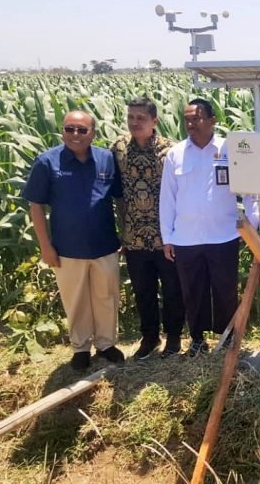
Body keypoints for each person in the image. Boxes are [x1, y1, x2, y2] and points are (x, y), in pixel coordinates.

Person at [23, 110, 125, 371]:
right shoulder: (47, 162)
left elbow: (120, 199)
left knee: (106, 297)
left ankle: (106, 344)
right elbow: (36, 206)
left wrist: (124, 234)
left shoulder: (106, 159)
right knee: (75, 299)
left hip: (104, 245)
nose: (75, 135)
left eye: (82, 130)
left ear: (93, 132)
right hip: (67, 248)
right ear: (62, 131)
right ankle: (81, 347)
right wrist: (45, 247)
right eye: (70, 129)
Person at [159, 99, 259, 356]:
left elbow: (250, 190)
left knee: (225, 290)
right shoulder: (176, 154)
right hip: (186, 237)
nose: (191, 124)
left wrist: (253, 223)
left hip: (223, 234)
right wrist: (167, 236)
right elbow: (167, 198)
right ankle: (197, 339)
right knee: (193, 291)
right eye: (188, 119)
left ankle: (227, 337)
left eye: (198, 118)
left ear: (213, 120)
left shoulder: (230, 149)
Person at [111, 97, 188, 359]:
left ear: (154, 121)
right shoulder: (119, 148)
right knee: (143, 290)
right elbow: (117, 194)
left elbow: (181, 194)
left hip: (165, 237)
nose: (134, 123)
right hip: (134, 237)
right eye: (131, 117)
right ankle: (150, 337)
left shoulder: (171, 151)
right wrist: (122, 229)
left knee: (172, 289)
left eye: (140, 118)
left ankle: (175, 338)